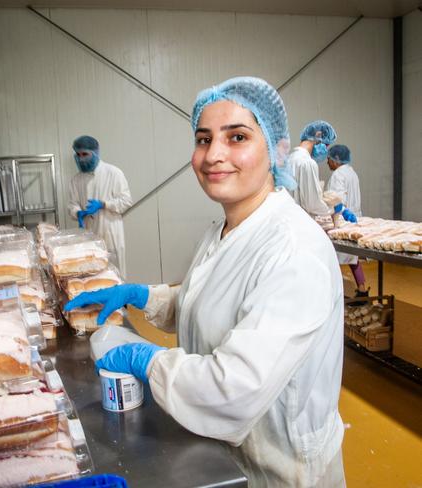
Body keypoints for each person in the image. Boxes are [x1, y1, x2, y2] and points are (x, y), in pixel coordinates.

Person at [65, 78, 345, 487]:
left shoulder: (294, 250)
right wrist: (144, 296)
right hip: (222, 453)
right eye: (203, 139)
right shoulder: (224, 229)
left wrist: (147, 360)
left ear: (275, 149)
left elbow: (233, 390)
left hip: (279, 469)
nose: (214, 155)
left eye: (237, 137)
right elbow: (212, 300)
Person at [68, 135, 133, 277]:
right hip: (88, 237)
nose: (81, 158)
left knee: (115, 277)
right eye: (78, 155)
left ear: (95, 153)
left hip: (110, 235)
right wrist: (77, 212)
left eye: (85, 154)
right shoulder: (76, 180)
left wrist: (104, 204)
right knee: (92, 278)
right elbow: (72, 204)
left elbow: (126, 201)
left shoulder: (113, 173)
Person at [327, 144, 367, 296]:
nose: (327, 162)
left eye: (329, 159)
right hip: (354, 219)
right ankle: (362, 290)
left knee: (333, 259)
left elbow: (338, 200)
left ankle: (335, 293)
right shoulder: (352, 172)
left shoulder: (338, 175)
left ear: (336, 160)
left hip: (342, 220)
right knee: (353, 258)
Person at [290, 120, 337, 218]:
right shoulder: (307, 163)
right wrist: (333, 209)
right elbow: (312, 205)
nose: (326, 149)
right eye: (326, 145)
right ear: (318, 136)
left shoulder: (290, 159)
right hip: (302, 223)